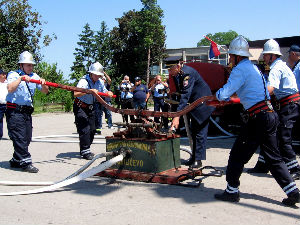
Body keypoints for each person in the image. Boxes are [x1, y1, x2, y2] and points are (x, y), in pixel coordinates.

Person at [213, 36, 299, 206]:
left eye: (231, 56)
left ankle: (232, 191)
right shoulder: (253, 68)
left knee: (237, 155)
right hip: (270, 114)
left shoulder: (239, 70)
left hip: (258, 117)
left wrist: (216, 95)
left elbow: (224, 94)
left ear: (237, 56)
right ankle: (293, 192)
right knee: (274, 158)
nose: (230, 59)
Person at [247, 40, 300, 180]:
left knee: (283, 138)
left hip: (289, 105)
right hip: (287, 104)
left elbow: (270, 89)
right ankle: (263, 165)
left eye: (265, 55)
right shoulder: (281, 65)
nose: (263, 58)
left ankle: (294, 168)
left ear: (272, 56)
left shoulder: (276, 69)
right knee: (270, 134)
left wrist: (254, 97)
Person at [6, 51, 49, 173]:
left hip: (27, 112)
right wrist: (21, 79)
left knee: (27, 138)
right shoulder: (14, 75)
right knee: (19, 138)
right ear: (21, 65)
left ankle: (16, 159)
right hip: (15, 111)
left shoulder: (34, 76)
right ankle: (26, 162)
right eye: (28, 65)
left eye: (32, 65)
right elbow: (10, 88)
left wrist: (43, 83)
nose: (31, 67)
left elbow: (45, 91)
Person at [169, 62, 214, 169]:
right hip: (194, 105)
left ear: (178, 66)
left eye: (171, 70)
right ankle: (194, 157)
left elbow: (185, 95)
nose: (170, 73)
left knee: (200, 133)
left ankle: (198, 160)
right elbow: (182, 91)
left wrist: (177, 116)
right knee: (193, 132)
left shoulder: (187, 74)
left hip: (203, 104)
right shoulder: (178, 74)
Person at [73, 62, 113, 160]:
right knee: (84, 128)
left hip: (91, 107)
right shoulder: (84, 81)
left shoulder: (99, 82)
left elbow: (104, 91)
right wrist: (89, 91)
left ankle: (85, 147)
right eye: (96, 75)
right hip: (80, 107)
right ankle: (85, 150)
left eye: (99, 75)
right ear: (91, 73)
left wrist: (108, 93)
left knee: (93, 129)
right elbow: (76, 93)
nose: (98, 77)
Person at [0, 69, 8, 139]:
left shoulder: (8, 83)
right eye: (3, 74)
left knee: (10, 120)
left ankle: (12, 134)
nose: (5, 75)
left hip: (8, 104)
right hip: (0, 105)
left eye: (5, 74)